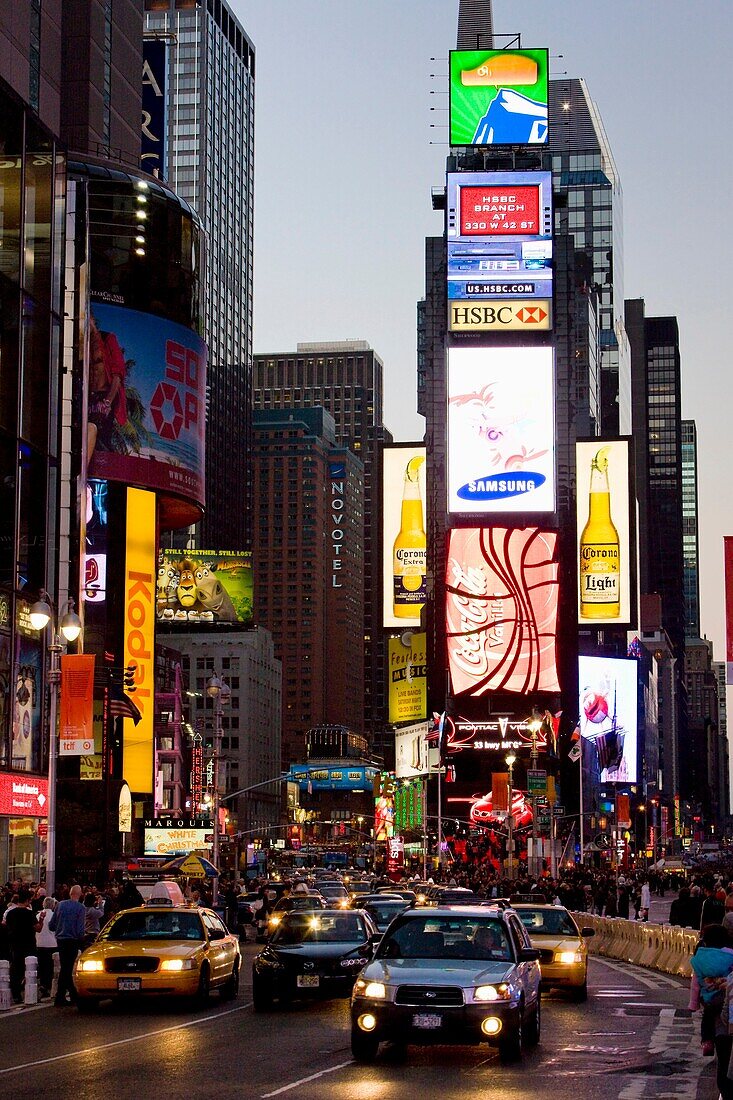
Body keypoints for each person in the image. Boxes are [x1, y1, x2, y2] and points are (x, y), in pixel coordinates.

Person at [688, 924, 733, 1056]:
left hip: (709, 999)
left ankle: (707, 1041)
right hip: (727, 996)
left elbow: (695, 985)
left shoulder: (700, 959)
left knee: (707, 1017)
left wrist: (693, 1004)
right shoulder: (730, 955)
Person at [48, 884, 85, 1006]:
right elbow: (80, 929)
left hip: (60, 939)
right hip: (72, 940)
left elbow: (51, 925)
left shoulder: (60, 905)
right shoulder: (80, 908)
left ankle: (69, 995)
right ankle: (62, 996)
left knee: (65, 967)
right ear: (80, 895)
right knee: (67, 968)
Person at [5, 889, 36, 1003]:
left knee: (16, 968)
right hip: (28, 943)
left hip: (15, 943)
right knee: (29, 968)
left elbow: (7, 926)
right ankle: (28, 990)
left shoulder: (11, 913)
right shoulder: (29, 913)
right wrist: (41, 919)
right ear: (27, 900)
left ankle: (16, 992)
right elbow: (38, 928)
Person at [35, 896, 57, 998]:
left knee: (42, 966)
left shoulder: (38, 915)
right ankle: (48, 985)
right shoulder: (54, 916)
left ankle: (43, 984)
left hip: (39, 943)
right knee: (50, 967)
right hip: (52, 943)